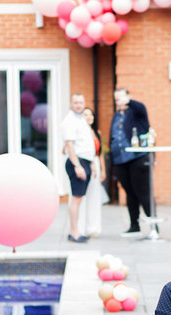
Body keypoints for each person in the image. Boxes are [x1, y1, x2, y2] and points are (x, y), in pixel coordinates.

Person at [110, 88, 151, 236]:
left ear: (128, 98)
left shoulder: (136, 111)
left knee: (143, 192)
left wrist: (129, 102)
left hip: (137, 158)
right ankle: (134, 225)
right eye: (116, 99)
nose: (119, 102)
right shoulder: (116, 116)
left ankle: (153, 227)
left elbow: (141, 107)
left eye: (121, 98)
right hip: (120, 160)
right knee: (129, 193)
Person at [61, 92, 96, 243]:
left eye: (81, 102)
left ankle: (74, 231)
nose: (79, 105)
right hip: (78, 163)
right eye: (76, 103)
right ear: (71, 104)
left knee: (79, 199)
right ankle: (74, 233)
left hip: (85, 162)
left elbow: (87, 143)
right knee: (75, 199)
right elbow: (69, 145)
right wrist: (77, 166)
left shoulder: (81, 119)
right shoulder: (69, 121)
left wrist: (92, 163)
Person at [78, 107, 107, 238]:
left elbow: (100, 154)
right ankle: (80, 228)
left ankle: (93, 227)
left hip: (95, 162)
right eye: (85, 115)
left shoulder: (97, 133)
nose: (88, 117)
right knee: (83, 196)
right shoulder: (78, 133)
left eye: (90, 115)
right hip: (84, 162)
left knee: (94, 197)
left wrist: (103, 170)